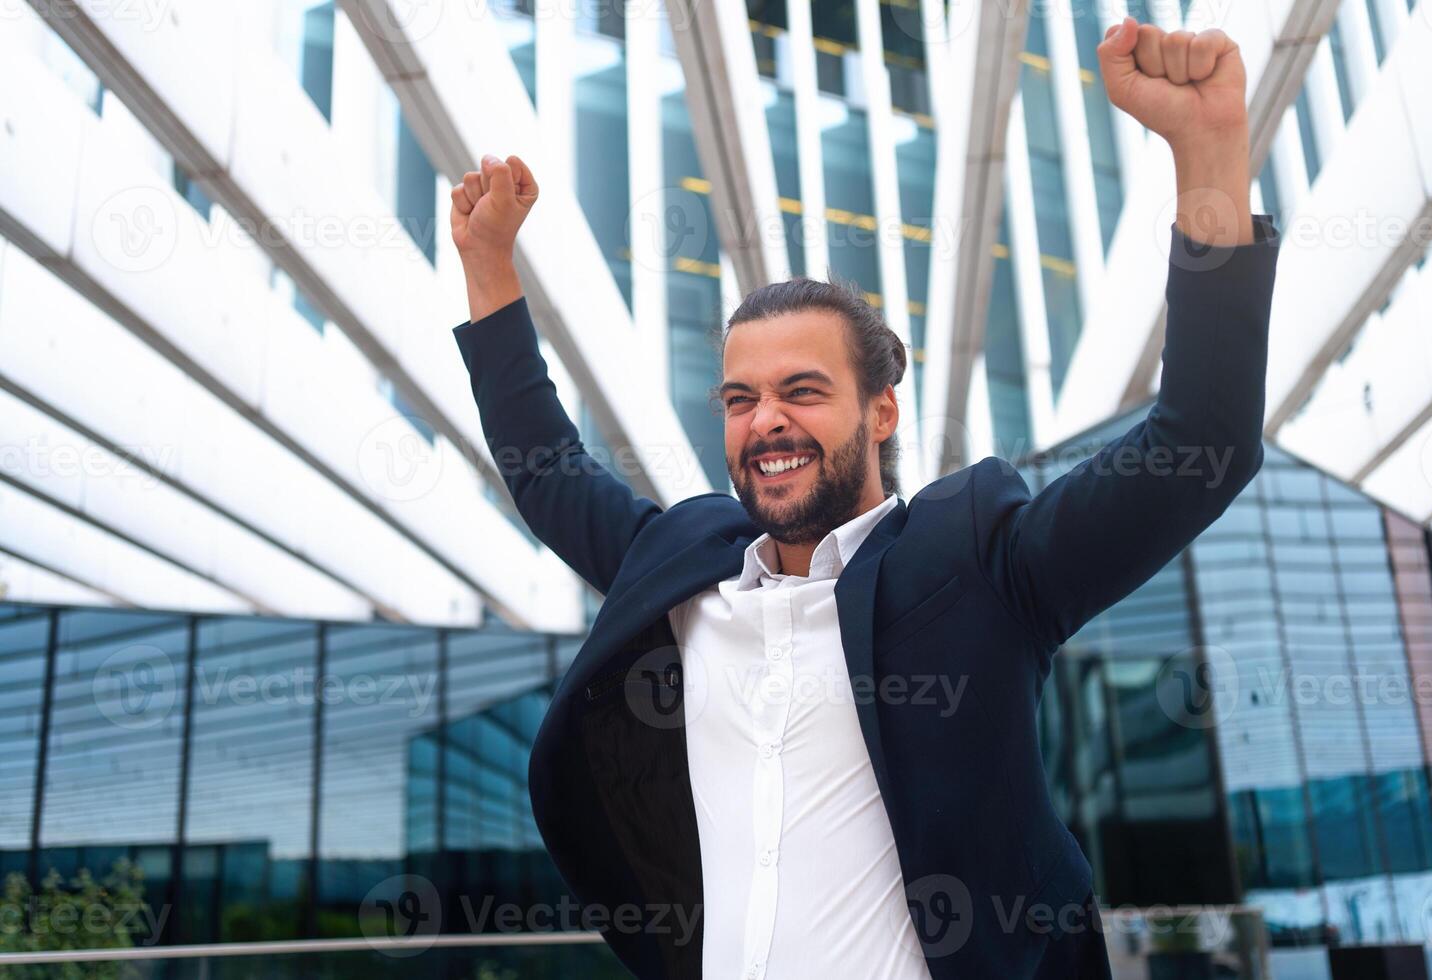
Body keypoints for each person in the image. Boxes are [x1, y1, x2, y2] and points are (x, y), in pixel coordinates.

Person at [446, 16, 1279, 980]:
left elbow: (1202, 440)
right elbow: (549, 470)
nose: (766, 422)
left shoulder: (979, 562)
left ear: (882, 411)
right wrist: (488, 269)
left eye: (802, 392)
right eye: (740, 399)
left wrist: (1208, 157)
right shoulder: (681, 572)